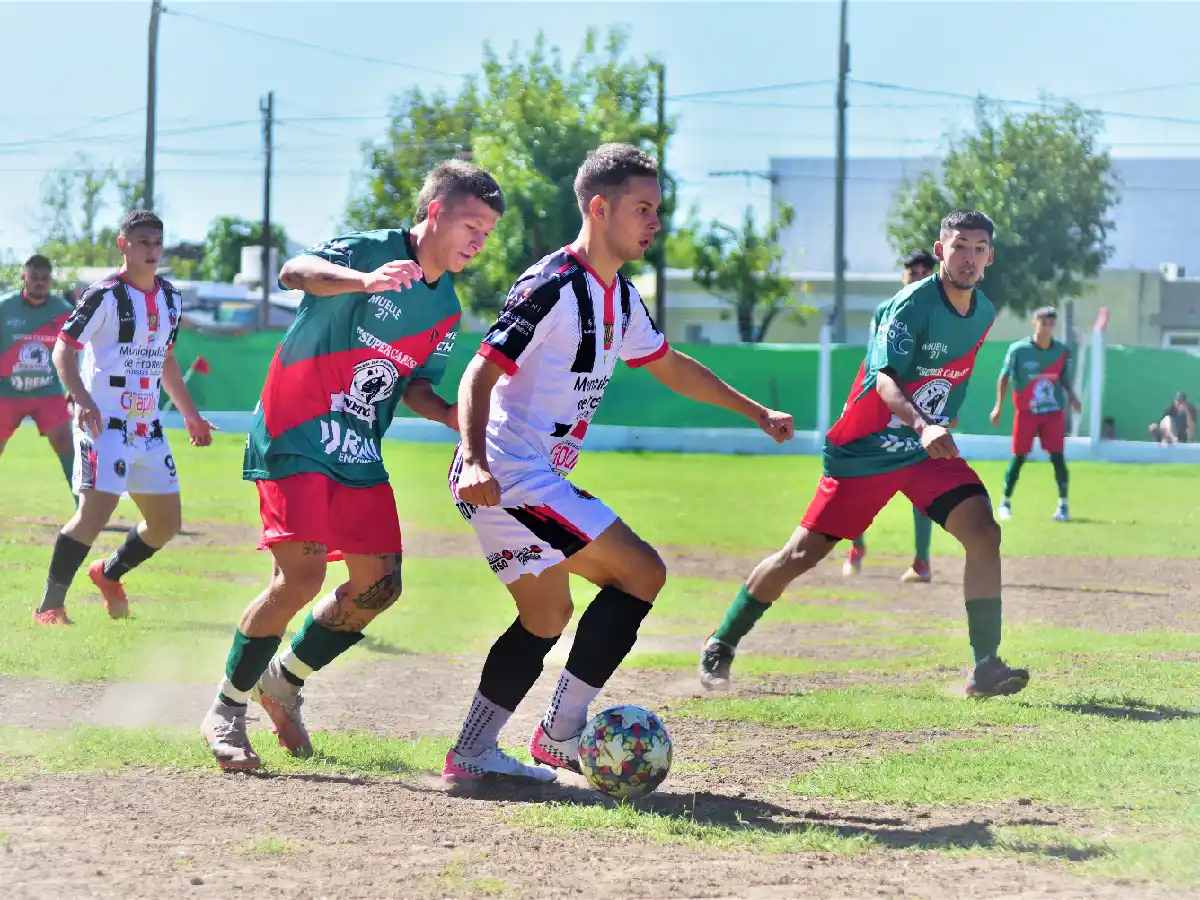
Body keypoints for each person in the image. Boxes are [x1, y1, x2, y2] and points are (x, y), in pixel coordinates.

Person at [444, 143, 794, 784]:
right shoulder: (552, 285)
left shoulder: (620, 299)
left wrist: (755, 412)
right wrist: (471, 459)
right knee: (641, 572)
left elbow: (670, 367)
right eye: (642, 208)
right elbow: (479, 372)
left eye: (657, 209)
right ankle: (560, 734)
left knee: (545, 618)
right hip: (508, 474)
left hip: (519, 478)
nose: (654, 222)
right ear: (599, 208)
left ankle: (471, 752)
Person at [200, 160, 505, 771]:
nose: (478, 240)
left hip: (358, 449)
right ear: (435, 212)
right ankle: (226, 709)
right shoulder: (373, 250)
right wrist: (364, 280)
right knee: (303, 578)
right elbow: (294, 271)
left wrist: (451, 414)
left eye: (488, 232)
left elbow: (416, 386)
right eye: (471, 224)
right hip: (296, 427)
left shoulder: (445, 305)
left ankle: (282, 681)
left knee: (379, 587)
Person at [699, 211, 1029, 700]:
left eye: (979, 248)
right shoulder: (910, 306)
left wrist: (934, 422)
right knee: (800, 555)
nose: (969, 257)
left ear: (991, 257)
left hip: (922, 454)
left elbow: (946, 373)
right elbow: (885, 380)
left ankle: (985, 666)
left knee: (984, 530)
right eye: (960, 246)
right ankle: (721, 642)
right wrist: (923, 424)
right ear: (941, 250)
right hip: (865, 451)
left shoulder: (983, 311)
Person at [35, 210, 214, 626]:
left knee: (167, 524)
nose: (152, 250)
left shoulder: (171, 297)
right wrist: (80, 399)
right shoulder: (104, 295)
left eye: (157, 242)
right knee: (95, 513)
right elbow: (63, 349)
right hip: (104, 426)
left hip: (147, 429)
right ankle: (49, 606)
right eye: (143, 242)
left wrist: (191, 415)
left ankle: (109, 573)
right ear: (124, 245)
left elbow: (165, 360)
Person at [843, 248, 938, 583]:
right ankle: (857, 545)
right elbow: (873, 361)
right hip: (880, 407)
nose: (918, 275)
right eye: (913, 270)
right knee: (854, 478)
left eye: (926, 271)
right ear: (904, 275)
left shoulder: (943, 317)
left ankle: (922, 561)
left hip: (922, 411)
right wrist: (856, 400)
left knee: (921, 485)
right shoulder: (886, 310)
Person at [990, 307, 1081, 522]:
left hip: (1052, 412)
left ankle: (1063, 504)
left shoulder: (1061, 350)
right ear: (1034, 323)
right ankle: (1005, 501)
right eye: (1043, 322)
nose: (1047, 327)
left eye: (1051, 323)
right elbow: (1004, 378)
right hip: (1027, 412)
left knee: (1057, 457)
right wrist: (998, 407)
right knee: (1019, 457)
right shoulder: (1019, 350)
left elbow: (1065, 378)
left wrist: (1073, 397)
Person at [0, 255, 76, 496]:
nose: (39, 283)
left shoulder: (64, 312)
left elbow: (74, 353)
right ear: (24, 278)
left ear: (51, 280)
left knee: (66, 442)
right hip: (6, 391)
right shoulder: (4, 307)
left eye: (45, 278)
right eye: (34, 277)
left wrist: (73, 389)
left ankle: (84, 510)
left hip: (47, 391)